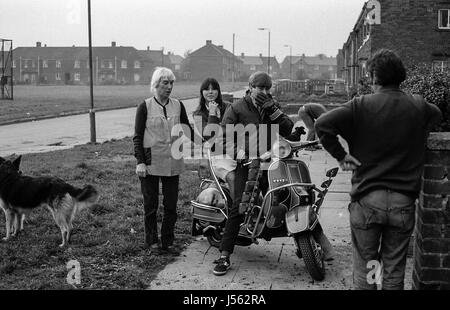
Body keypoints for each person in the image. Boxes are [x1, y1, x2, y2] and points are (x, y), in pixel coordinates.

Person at [315, 49, 442, 290]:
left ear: (374, 76)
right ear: (400, 76)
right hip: (402, 204)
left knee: (368, 267)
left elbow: (322, 124)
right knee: (394, 270)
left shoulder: (360, 106)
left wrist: (342, 157)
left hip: (368, 201)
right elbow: (437, 116)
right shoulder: (417, 105)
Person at [212, 71, 333, 276]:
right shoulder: (236, 109)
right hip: (247, 164)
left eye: (268, 88)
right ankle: (224, 256)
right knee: (240, 205)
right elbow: (221, 139)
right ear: (250, 87)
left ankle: (318, 242)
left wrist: (272, 110)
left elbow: (287, 129)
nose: (265, 91)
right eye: (261, 87)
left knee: (293, 195)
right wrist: (241, 153)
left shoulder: (271, 106)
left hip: (271, 162)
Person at [133, 67, 197, 254]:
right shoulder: (144, 106)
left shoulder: (178, 105)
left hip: (173, 162)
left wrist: (209, 141)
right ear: (156, 84)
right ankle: (151, 241)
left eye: (171, 83)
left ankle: (167, 240)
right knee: (151, 205)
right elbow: (137, 136)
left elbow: (187, 130)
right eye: (165, 83)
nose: (169, 87)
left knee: (171, 205)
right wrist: (140, 162)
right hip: (151, 163)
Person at [193, 77, 236, 199]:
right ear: (202, 92)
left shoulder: (228, 107)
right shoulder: (198, 114)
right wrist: (212, 114)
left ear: (219, 91)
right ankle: (235, 213)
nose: (210, 92)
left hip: (233, 150)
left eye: (214, 89)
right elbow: (209, 136)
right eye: (207, 89)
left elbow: (233, 130)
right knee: (232, 177)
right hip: (215, 154)